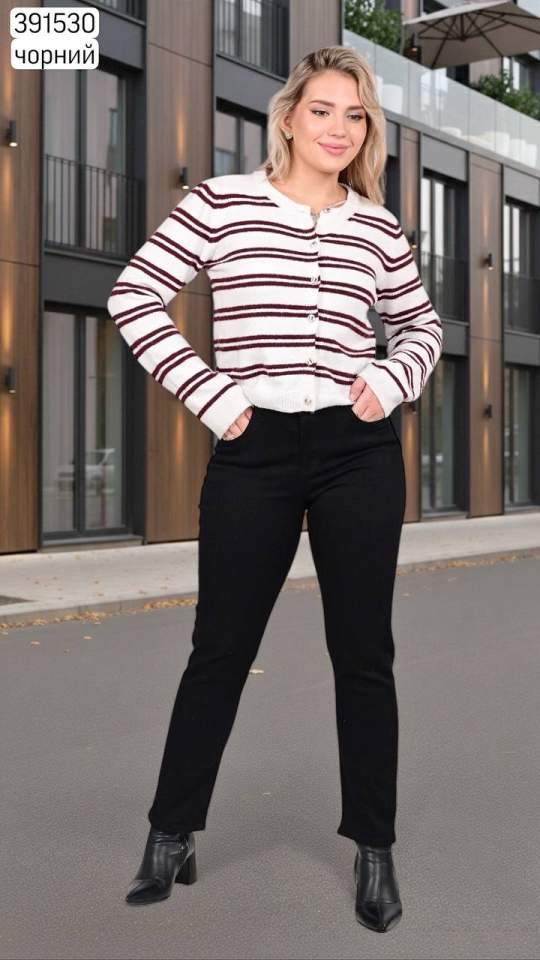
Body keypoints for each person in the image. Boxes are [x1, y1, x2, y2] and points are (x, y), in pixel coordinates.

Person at [107, 45, 443, 932]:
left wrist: (392, 377)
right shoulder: (221, 203)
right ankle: (170, 833)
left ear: (367, 131)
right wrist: (213, 396)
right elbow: (134, 297)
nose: (339, 128)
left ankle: (375, 848)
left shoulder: (378, 226)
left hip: (357, 451)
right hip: (252, 445)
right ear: (288, 117)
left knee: (364, 655)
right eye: (323, 109)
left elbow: (421, 325)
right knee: (219, 648)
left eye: (356, 115)